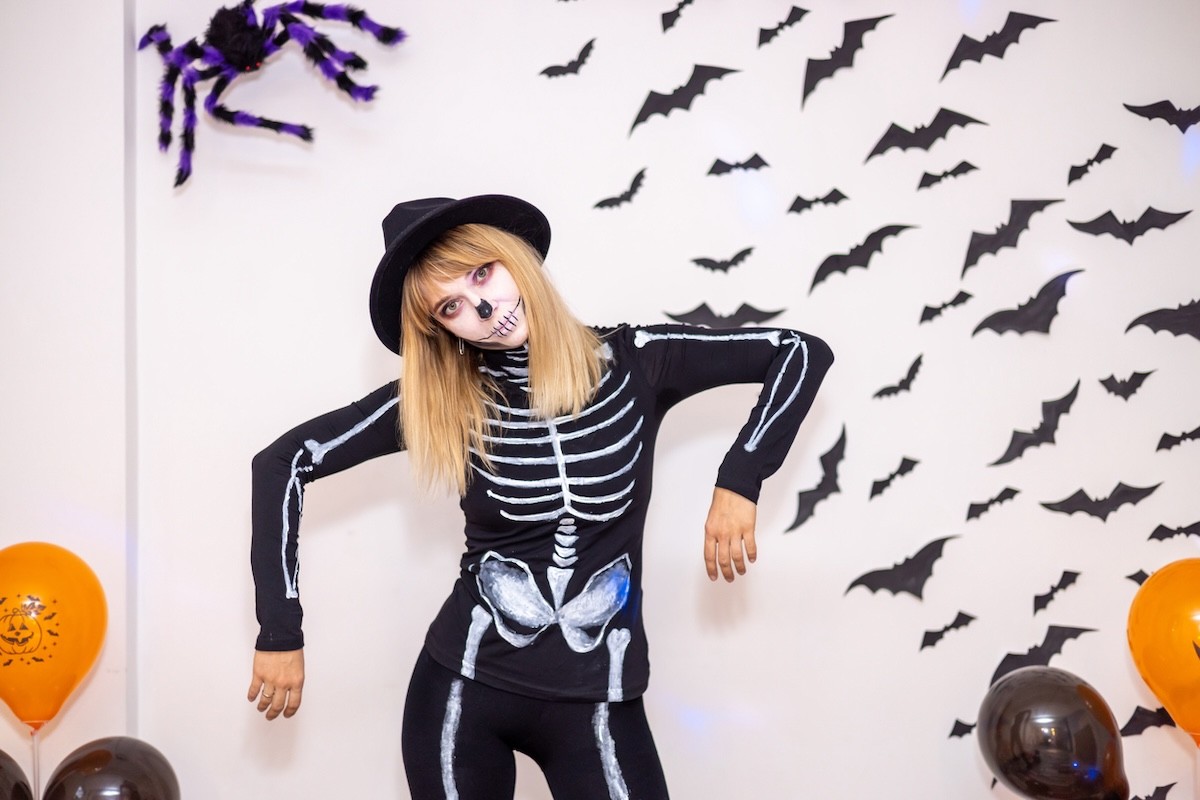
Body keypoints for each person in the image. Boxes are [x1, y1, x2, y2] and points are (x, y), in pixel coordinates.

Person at [246, 194, 834, 799]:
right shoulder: (446, 400)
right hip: (463, 689)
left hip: (600, 696)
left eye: (483, 272)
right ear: (440, 329)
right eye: (451, 305)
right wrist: (280, 630)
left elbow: (800, 351)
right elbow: (283, 462)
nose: (482, 307)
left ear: (515, 259)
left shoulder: (637, 360)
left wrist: (740, 478)